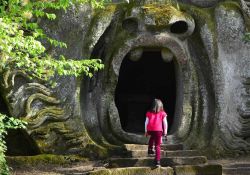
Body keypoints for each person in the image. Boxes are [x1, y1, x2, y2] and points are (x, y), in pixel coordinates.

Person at [145, 99, 168, 167]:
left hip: (150, 129)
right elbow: (165, 123)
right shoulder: (162, 113)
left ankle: (150, 149)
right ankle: (157, 161)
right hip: (158, 130)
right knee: (157, 145)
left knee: (152, 136)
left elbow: (146, 122)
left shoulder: (149, 113)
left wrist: (146, 131)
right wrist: (165, 132)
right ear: (161, 106)